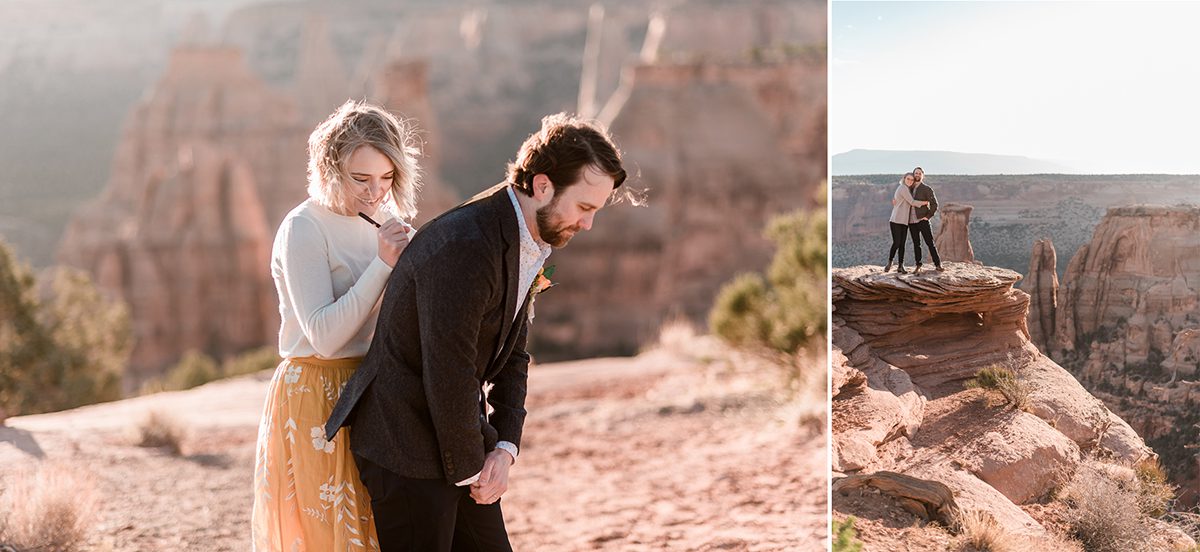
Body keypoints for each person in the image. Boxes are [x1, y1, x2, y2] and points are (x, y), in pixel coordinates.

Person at [325, 112, 628, 551]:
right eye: (584, 207)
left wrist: (505, 446)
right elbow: (449, 370)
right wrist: (476, 467)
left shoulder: (530, 236)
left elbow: (514, 354)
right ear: (542, 186)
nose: (587, 224)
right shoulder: (466, 245)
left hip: (457, 438)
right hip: (404, 444)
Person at [252, 100, 421, 552]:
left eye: (387, 179)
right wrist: (384, 265)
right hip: (316, 393)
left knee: (375, 528)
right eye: (361, 178)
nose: (375, 192)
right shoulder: (303, 227)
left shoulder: (384, 221)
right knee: (330, 535)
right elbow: (325, 338)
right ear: (329, 168)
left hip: (375, 391)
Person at [885, 172, 928, 273]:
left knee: (902, 244)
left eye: (912, 180)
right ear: (904, 179)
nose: (910, 181)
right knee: (897, 242)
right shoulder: (903, 188)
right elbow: (912, 202)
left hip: (904, 221)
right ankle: (890, 263)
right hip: (896, 220)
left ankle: (900, 266)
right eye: (908, 179)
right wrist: (925, 203)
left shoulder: (908, 189)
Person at [909, 166, 943, 272]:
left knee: (930, 243)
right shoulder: (909, 188)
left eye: (919, 173)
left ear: (922, 175)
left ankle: (938, 264)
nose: (917, 175)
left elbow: (934, 204)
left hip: (922, 220)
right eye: (916, 173)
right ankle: (918, 265)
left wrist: (927, 217)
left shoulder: (926, 189)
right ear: (913, 175)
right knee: (916, 244)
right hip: (911, 221)